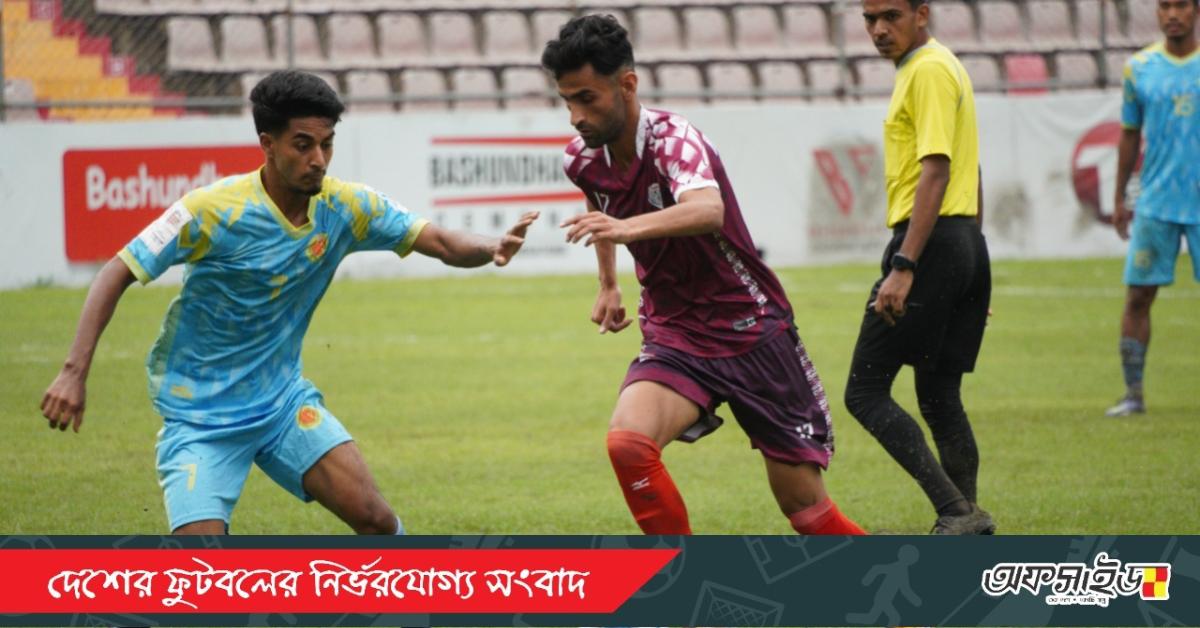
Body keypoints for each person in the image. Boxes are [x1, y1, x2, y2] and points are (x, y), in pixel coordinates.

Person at [39, 70, 538, 534]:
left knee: (377, 521)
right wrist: (73, 372)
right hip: (201, 419)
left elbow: (442, 241)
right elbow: (117, 271)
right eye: (303, 145)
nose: (318, 158)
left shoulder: (345, 206)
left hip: (282, 405)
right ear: (268, 144)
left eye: (327, 144)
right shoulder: (211, 210)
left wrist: (491, 246)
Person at [541, 15, 866, 535]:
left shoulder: (674, 139)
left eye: (587, 98)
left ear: (627, 85)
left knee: (807, 511)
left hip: (751, 329)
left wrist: (626, 229)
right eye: (566, 102)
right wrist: (608, 283)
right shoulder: (581, 159)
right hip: (677, 332)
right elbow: (599, 204)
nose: (576, 116)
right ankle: (684, 579)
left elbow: (707, 210)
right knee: (628, 444)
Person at [843, 0, 995, 534]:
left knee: (864, 392)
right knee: (939, 395)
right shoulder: (942, 64)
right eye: (870, 19)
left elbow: (937, 171)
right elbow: (973, 170)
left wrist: (905, 264)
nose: (879, 29)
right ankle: (969, 521)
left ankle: (955, 511)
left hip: (929, 243)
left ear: (922, 13)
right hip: (961, 241)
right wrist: (969, 264)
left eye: (892, 16)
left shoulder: (927, 70)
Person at [1107, 0, 1200, 417]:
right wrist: (1120, 196)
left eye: (1181, 5)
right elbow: (1129, 134)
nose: (1172, 14)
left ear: (1196, 11)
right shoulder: (1139, 68)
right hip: (1157, 201)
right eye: (1164, 6)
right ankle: (1133, 394)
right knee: (1139, 295)